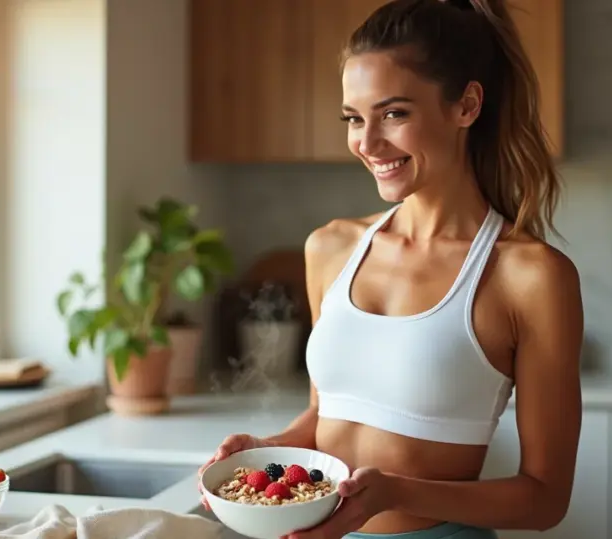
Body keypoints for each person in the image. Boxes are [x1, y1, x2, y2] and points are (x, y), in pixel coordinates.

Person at [199, 0, 584, 537]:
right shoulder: (330, 248)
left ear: (467, 105)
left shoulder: (530, 276)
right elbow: (326, 417)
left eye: (394, 114)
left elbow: (545, 501)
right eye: (353, 118)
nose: (367, 142)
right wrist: (270, 449)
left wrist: (395, 493)